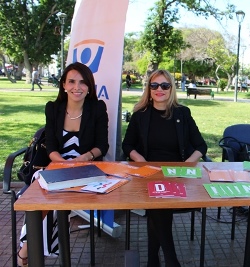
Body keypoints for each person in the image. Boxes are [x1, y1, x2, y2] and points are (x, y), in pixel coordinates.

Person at [17, 62, 109, 267]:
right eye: (72, 81)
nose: (78, 87)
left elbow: (102, 145)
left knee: (53, 194)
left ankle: (27, 249)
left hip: (87, 168)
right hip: (56, 166)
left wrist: (84, 158)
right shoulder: (53, 108)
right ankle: (37, 249)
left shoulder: (97, 108)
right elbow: (50, 147)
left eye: (83, 82)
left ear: (89, 86)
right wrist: (63, 164)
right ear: (64, 85)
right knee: (45, 186)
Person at [122, 69, 207, 267]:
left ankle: (156, 260)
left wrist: (185, 166)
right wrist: (141, 161)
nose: (159, 89)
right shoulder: (140, 115)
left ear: (171, 89)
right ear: (149, 89)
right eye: (154, 85)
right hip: (148, 172)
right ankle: (170, 260)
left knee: (158, 206)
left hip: (177, 174)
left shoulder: (182, 113)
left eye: (164, 85)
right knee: (159, 203)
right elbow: (127, 146)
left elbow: (201, 146)